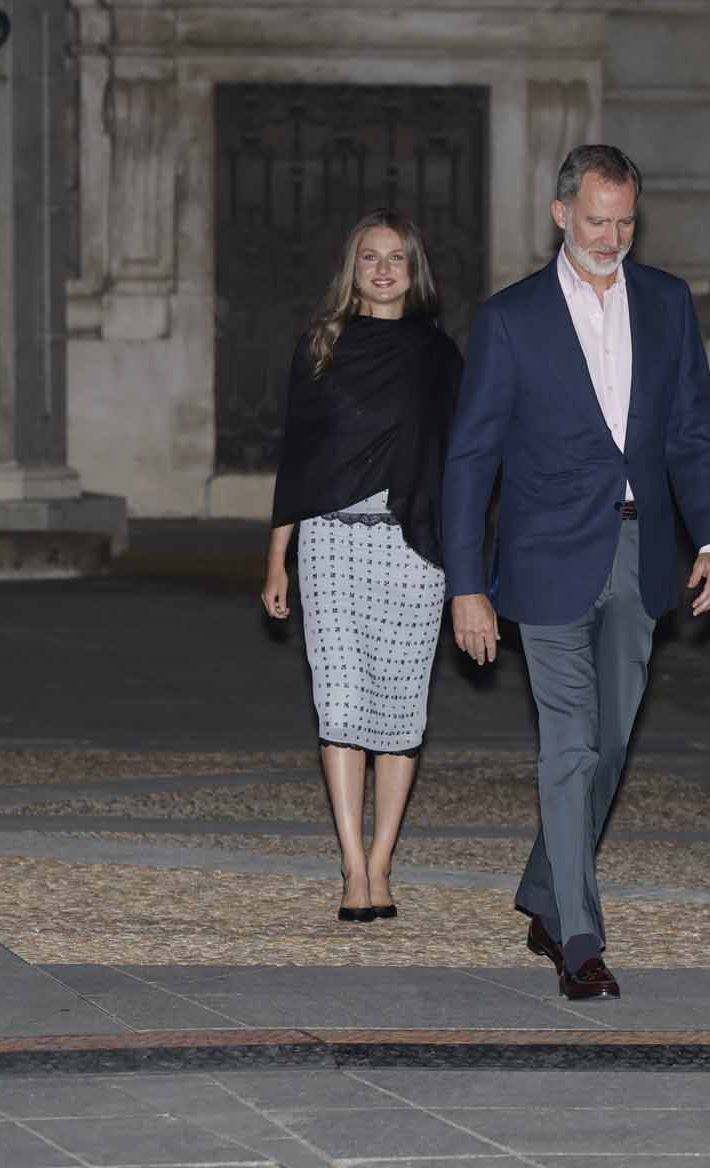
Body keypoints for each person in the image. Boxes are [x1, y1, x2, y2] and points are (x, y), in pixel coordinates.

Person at [441, 145, 710, 1000]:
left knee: (609, 745)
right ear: (562, 213)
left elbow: (693, 431)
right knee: (569, 745)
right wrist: (467, 585)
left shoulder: (668, 303)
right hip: (543, 560)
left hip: (644, 554)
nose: (612, 237)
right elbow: (471, 460)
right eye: (597, 220)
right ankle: (577, 936)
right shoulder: (511, 319)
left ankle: (542, 889)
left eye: (626, 222)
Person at [260, 209, 462, 923]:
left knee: (401, 706)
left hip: (412, 545)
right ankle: (351, 864)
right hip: (331, 541)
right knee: (340, 699)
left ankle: (383, 862)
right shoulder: (322, 344)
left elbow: (458, 463)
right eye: (370, 257)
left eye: (396, 258)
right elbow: (300, 455)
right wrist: (277, 558)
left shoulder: (439, 356)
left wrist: (464, 563)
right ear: (354, 269)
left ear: (415, 271)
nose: (382, 269)